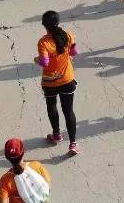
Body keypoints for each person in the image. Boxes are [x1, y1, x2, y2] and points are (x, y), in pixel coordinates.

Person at [35, 11, 79, 155]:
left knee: (52, 106)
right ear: (58, 22)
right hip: (67, 79)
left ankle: (57, 134)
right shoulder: (68, 35)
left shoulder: (43, 42)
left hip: (49, 82)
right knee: (68, 110)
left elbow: (44, 62)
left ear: (44, 25)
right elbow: (74, 52)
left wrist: (36, 60)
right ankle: (73, 144)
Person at [0, 137, 52, 202]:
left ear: (7, 157)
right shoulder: (37, 166)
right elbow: (47, 186)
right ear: (23, 152)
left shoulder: (5, 180)